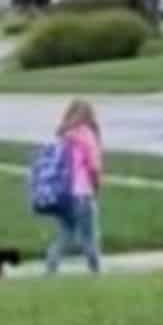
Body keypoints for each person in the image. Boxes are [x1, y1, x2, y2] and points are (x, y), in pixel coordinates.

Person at [47, 99, 103, 275]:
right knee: (89, 236)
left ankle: (51, 266)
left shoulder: (63, 137)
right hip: (82, 192)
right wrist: (96, 186)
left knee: (65, 234)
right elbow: (94, 166)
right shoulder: (86, 135)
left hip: (64, 192)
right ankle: (95, 271)